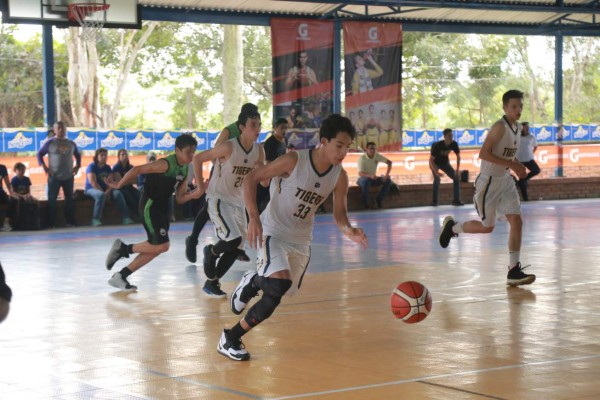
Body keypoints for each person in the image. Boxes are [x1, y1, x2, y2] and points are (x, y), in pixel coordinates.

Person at [218, 114, 368, 361]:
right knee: (278, 283)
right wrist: (253, 217)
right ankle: (242, 308)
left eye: (348, 147)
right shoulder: (293, 160)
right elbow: (251, 178)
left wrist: (350, 230)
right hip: (272, 231)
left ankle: (240, 313)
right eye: (339, 145)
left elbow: (340, 215)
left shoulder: (339, 176)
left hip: (300, 240)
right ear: (324, 141)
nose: (343, 152)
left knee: (276, 295)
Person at [439, 89, 536, 287]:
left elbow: (508, 155)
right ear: (505, 107)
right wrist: (515, 165)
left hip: (506, 180)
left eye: (521, 106)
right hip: (489, 182)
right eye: (514, 106)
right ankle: (453, 227)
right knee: (487, 227)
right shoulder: (499, 127)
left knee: (516, 220)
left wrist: (517, 164)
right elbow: (484, 154)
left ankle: (513, 271)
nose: (518, 110)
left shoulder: (517, 128)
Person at [104, 134, 203, 291]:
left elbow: (179, 198)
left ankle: (121, 276)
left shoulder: (185, 169)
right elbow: (137, 169)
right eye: (188, 152)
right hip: (150, 206)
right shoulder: (165, 164)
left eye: (194, 152)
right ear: (177, 150)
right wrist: (119, 185)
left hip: (162, 208)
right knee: (162, 246)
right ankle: (123, 249)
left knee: (157, 247)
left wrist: (193, 195)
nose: (192, 155)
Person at [193, 108, 265, 298]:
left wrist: (267, 169)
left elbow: (264, 181)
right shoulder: (229, 147)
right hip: (219, 199)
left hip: (238, 203)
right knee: (232, 239)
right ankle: (211, 251)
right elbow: (198, 158)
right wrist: (201, 188)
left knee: (238, 247)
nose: (257, 129)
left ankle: (211, 283)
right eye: (253, 125)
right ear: (242, 127)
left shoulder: (259, 150)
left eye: (259, 125)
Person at [185, 104, 259, 264]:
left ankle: (236, 246)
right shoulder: (229, 130)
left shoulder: (254, 140)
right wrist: (221, 168)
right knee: (208, 209)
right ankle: (193, 240)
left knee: (236, 207)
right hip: (223, 170)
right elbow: (215, 150)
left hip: (237, 176)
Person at [36, 121, 81, 228]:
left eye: (63, 128)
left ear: (66, 130)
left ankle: (70, 222)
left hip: (68, 176)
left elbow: (78, 155)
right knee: (52, 200)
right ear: (55, 130)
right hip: (54, 176)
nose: (61, 130)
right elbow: (39, 154)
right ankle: (51, 223)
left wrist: (78, 166)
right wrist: (44, 167)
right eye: (58, 128)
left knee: (69, 199)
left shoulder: (71, 143)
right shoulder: (50, 143)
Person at [84, 148, 134, 227]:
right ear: (97, 156)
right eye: (102, 155)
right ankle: (95, 219)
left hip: (106, 189)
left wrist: (108, 191)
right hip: (91, 189)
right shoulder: (92, 166)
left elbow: (110, 182)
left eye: (105, 155)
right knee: (100, 195)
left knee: (118, 193)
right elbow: (93, 183)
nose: (104, 157)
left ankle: (125, 217)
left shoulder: (107, 167)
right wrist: (104, 194)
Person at [258, 118, 288, 211]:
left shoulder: (284, 141)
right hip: (269, 177)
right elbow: (267, 163)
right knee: (266, 202)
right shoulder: (270, 142)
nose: (284, 130)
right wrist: (279, 172)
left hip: (279, 176)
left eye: (286, 128)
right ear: (275, 128)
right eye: (282, 128)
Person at [429, 128, 464, 206]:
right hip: (435, 164)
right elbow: (431, 160)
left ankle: (456, 200)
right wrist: (436, 172)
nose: (451, 137)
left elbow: (458, 156)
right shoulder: (438, 145)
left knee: (456, 177)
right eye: (449, 136)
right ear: (444, 136)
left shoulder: (454, 144)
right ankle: (434, 201)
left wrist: (457, 170)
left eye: (452, 135)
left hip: (445, 163)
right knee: (437, 179)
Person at [357, 142, 393, 209]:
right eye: (371, 149)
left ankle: (378, 200)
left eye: (374, 149)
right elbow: (360, 173)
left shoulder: (377, 156)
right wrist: (370, 176)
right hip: (363, 179)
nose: (372, 150)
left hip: (373, 178)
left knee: (388, 181)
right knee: (366, 181)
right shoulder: (362, 158)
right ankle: (366, 205)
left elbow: (389, 163)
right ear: (366, 149)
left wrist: (386, 175)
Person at [112, 149, 141, 220]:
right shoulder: (116, 167)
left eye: (126, 154)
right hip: (120, 188)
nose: (124, 156)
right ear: (119, 157)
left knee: (140, 196)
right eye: (122, 154)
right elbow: (120, 182)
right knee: (129, 197)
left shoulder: (131, 167)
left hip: (130, 187)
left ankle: (142, 215)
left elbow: (136, 181)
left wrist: (126, 180)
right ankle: (134, 216)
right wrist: (129, 179)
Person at [10, 162, 40, 230]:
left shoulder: (27, 179)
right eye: (20, 170)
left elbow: (28, 191)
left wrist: (27, 195)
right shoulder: (14, 180)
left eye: (23, 170)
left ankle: (36, 222)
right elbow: (13, 192)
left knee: (36, 201)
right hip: (18, 196)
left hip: (25, 195)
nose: (22, 171)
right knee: (17, 201)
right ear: (16, 170)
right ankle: (18, 222)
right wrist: (21, 196)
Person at [515, 122, 540, 201]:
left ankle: (522, 180)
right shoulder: (516, 136)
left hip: (529, 158)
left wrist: (531, 153)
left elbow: (535, 147)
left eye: (528, 127)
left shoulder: (531, 137)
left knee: (536, 170)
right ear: (521, 128)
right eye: (525, 127)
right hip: (519, 160)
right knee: (522, 180)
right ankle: (525, 198)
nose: (527, 128)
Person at [0, 163, 14, 231]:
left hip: (1, 193)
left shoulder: (2, 168)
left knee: (12, 201)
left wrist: (11, 193)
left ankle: (6, 222)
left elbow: (8, 183)